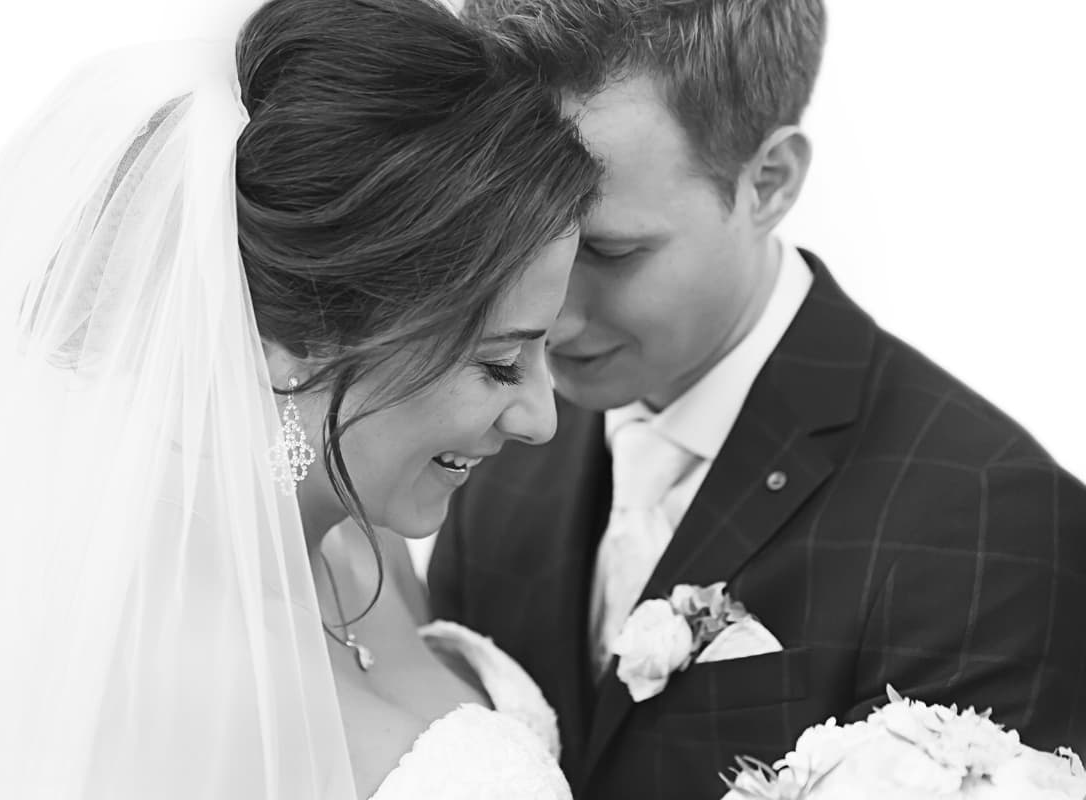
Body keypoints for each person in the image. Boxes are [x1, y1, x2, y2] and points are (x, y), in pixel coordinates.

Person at [0, 0, 601, 798]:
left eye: (545, 348)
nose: (543, 419)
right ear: (292, 342)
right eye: (500, 365)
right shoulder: (154, 695)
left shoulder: (356, 538)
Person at [429, 1, 1086, 798]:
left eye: (609, 250)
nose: (552, 316)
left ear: (768, 182)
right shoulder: (490, 438)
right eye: (514, 243)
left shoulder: (990, 519)